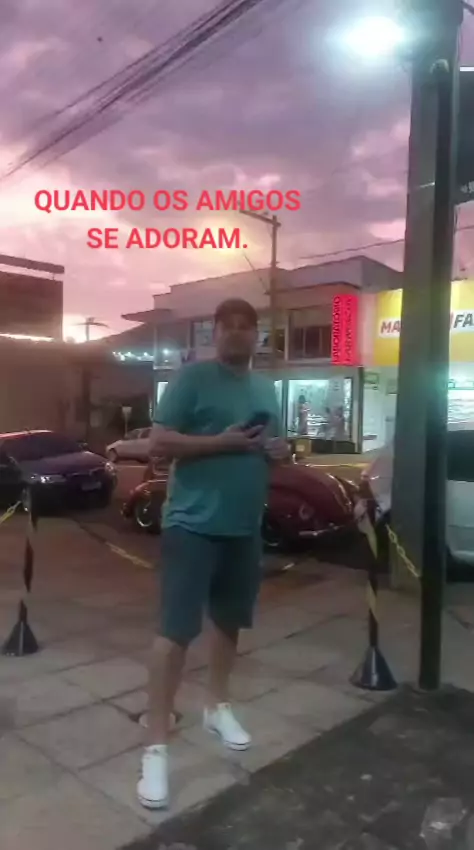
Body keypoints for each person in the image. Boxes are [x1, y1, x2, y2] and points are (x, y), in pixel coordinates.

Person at [137, 297, 289, 809]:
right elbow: (158, 442)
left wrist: (278, 450)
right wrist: (220, 443)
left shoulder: (265, 387)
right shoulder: (193, 379)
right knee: (174, 634)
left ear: (257, 335)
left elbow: (270, 445)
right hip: (192, 525)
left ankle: (217, 706)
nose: (238, 333)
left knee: (229, 622)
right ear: (215, 332)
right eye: (229, 326)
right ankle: (156, 747)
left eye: (247, 326)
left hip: (243, 527)